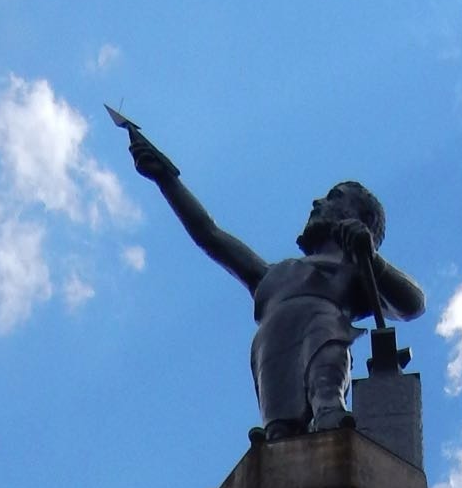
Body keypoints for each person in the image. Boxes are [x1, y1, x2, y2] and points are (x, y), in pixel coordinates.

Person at [116, 120, 425, 439]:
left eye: (334, 197)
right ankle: (279, 436)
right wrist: (166, 179)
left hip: (323, 334)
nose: (318, 202)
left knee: (323, 333)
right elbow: (210, 234)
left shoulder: (356, 268)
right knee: (277, 418)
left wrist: (371, 258)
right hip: (272, 347)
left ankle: (328, 408)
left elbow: (413, 304)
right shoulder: (275, 274)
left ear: (361, 218)